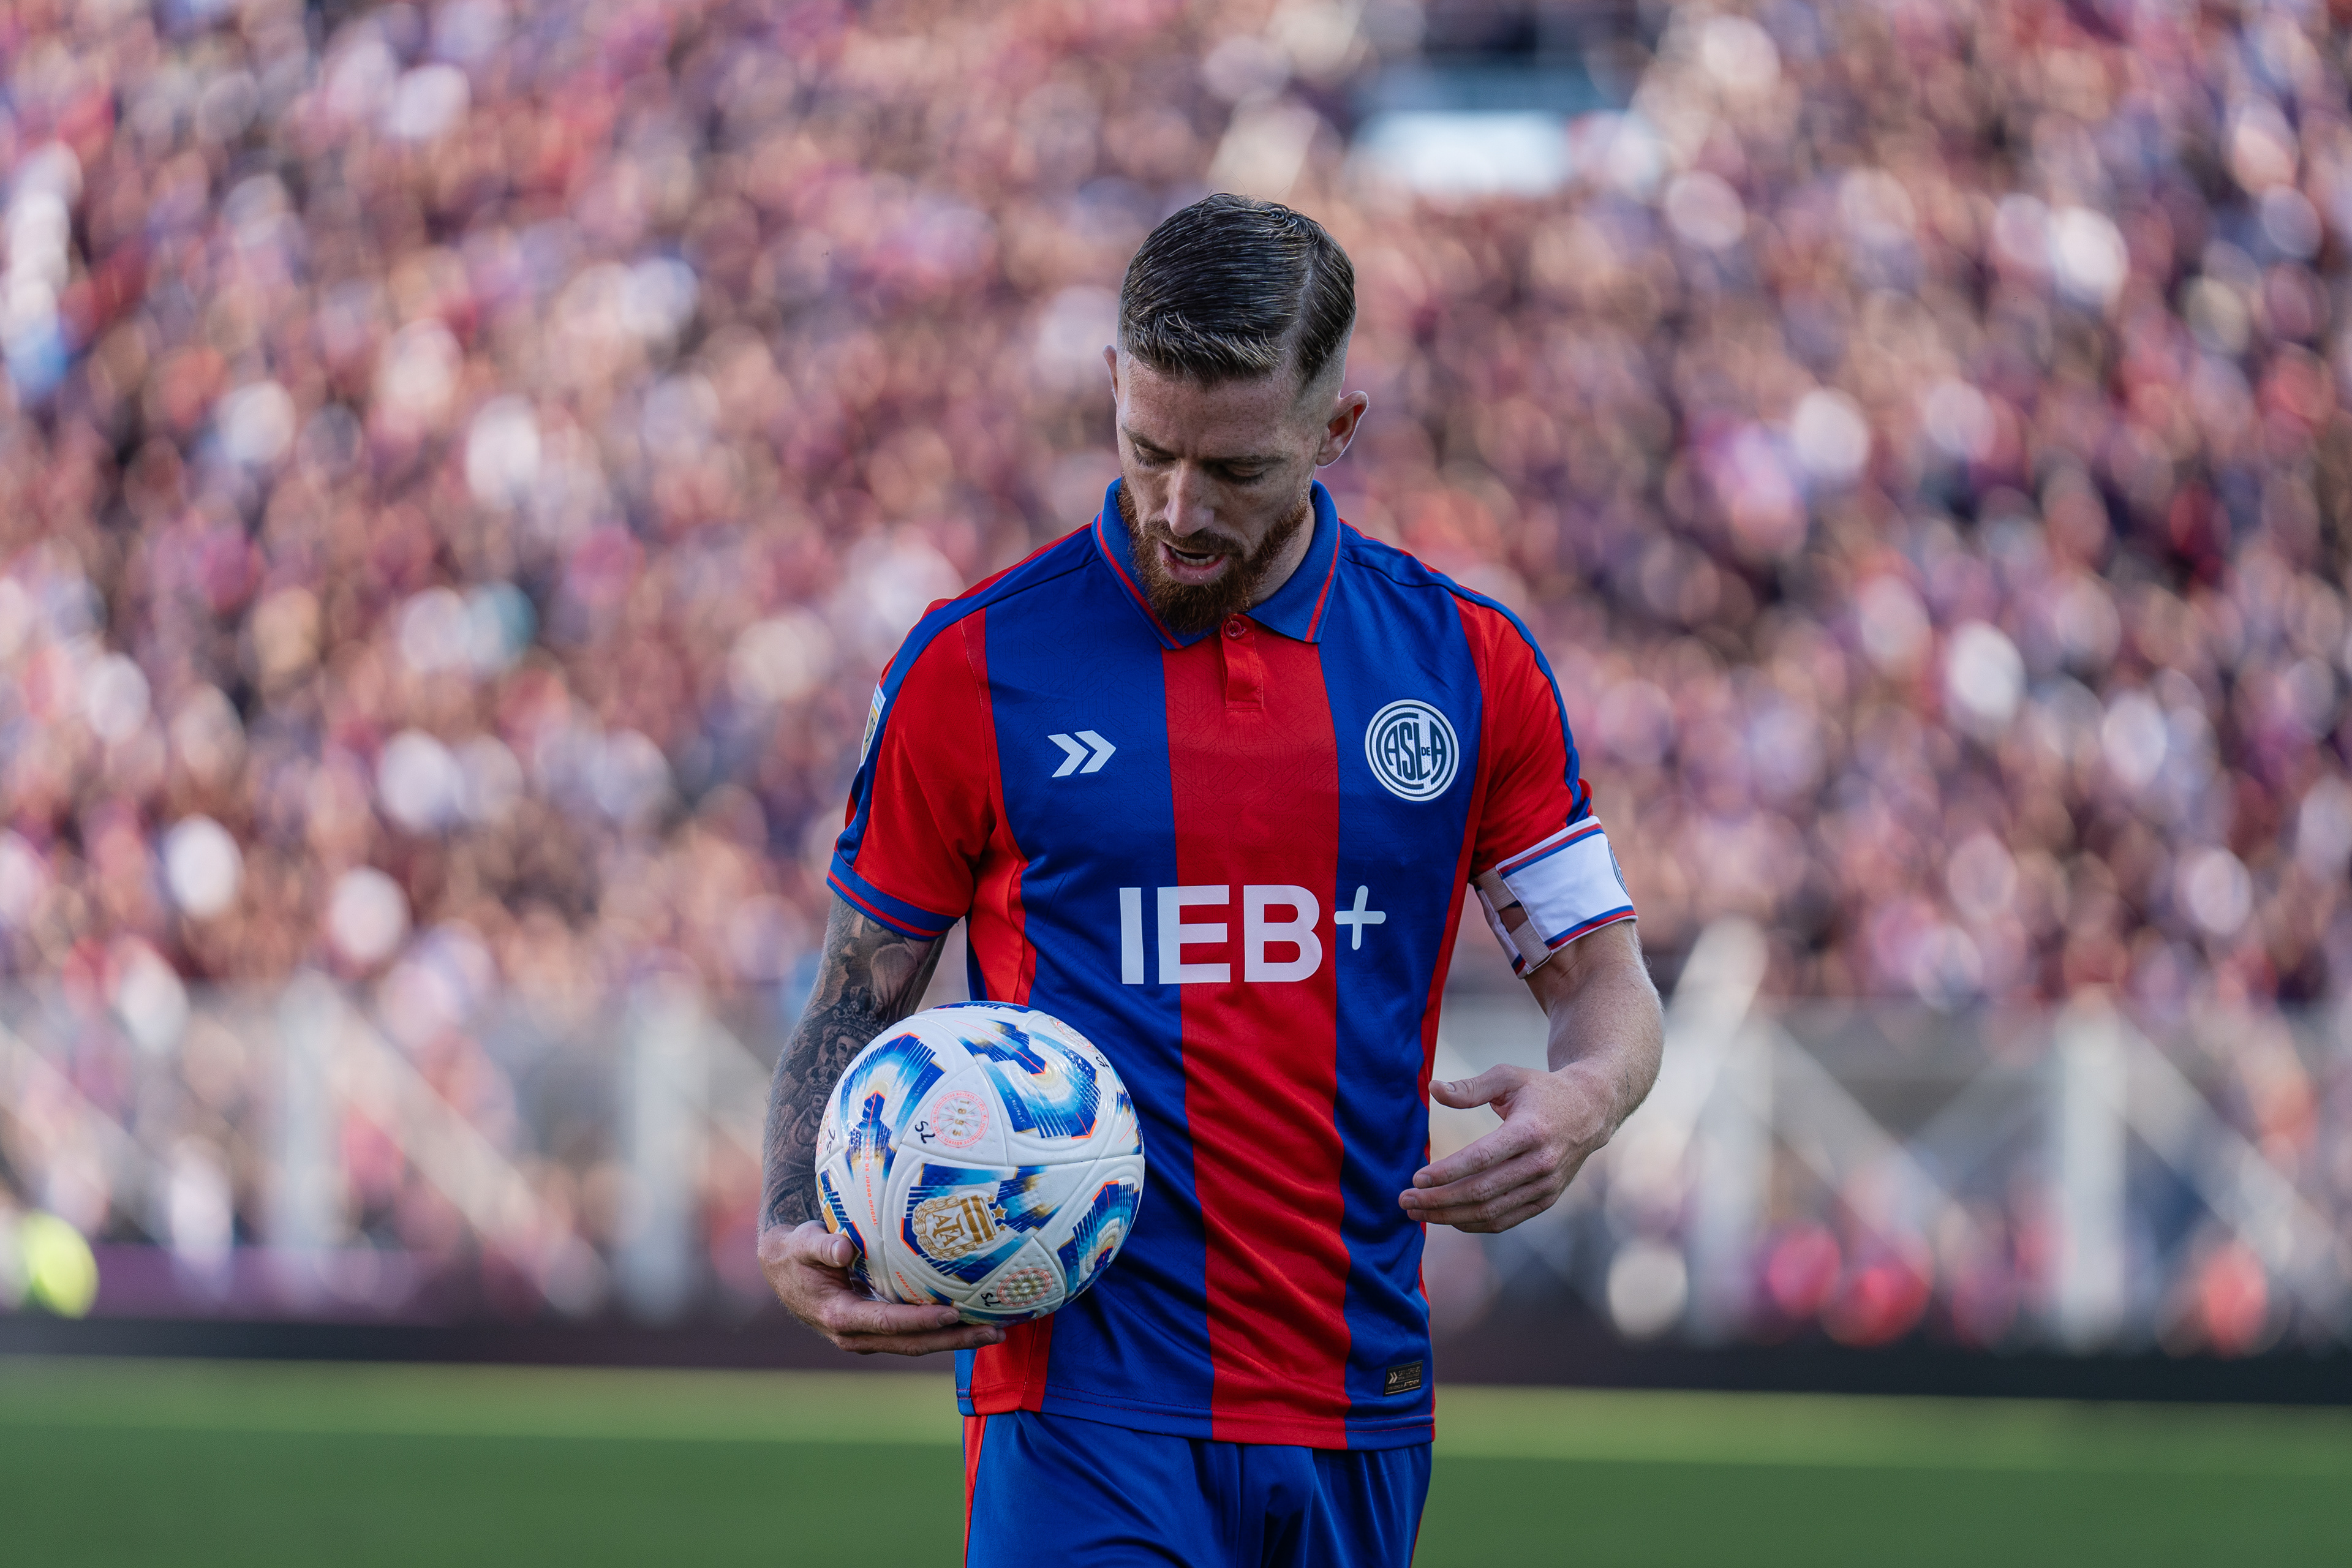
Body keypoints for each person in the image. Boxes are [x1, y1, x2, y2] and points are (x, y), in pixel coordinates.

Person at [759, 194, 1665, 1566]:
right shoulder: (972, 664)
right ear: (1115, 387)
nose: (1180, 509)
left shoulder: (1465, 667)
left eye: (1235, 470)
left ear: (1336, 429)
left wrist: (1586, 1097)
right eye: (1148, 449)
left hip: (1359, 1394)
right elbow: (853, 985)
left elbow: (1606, 981)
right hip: (1077, 1403)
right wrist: (787, 1213)